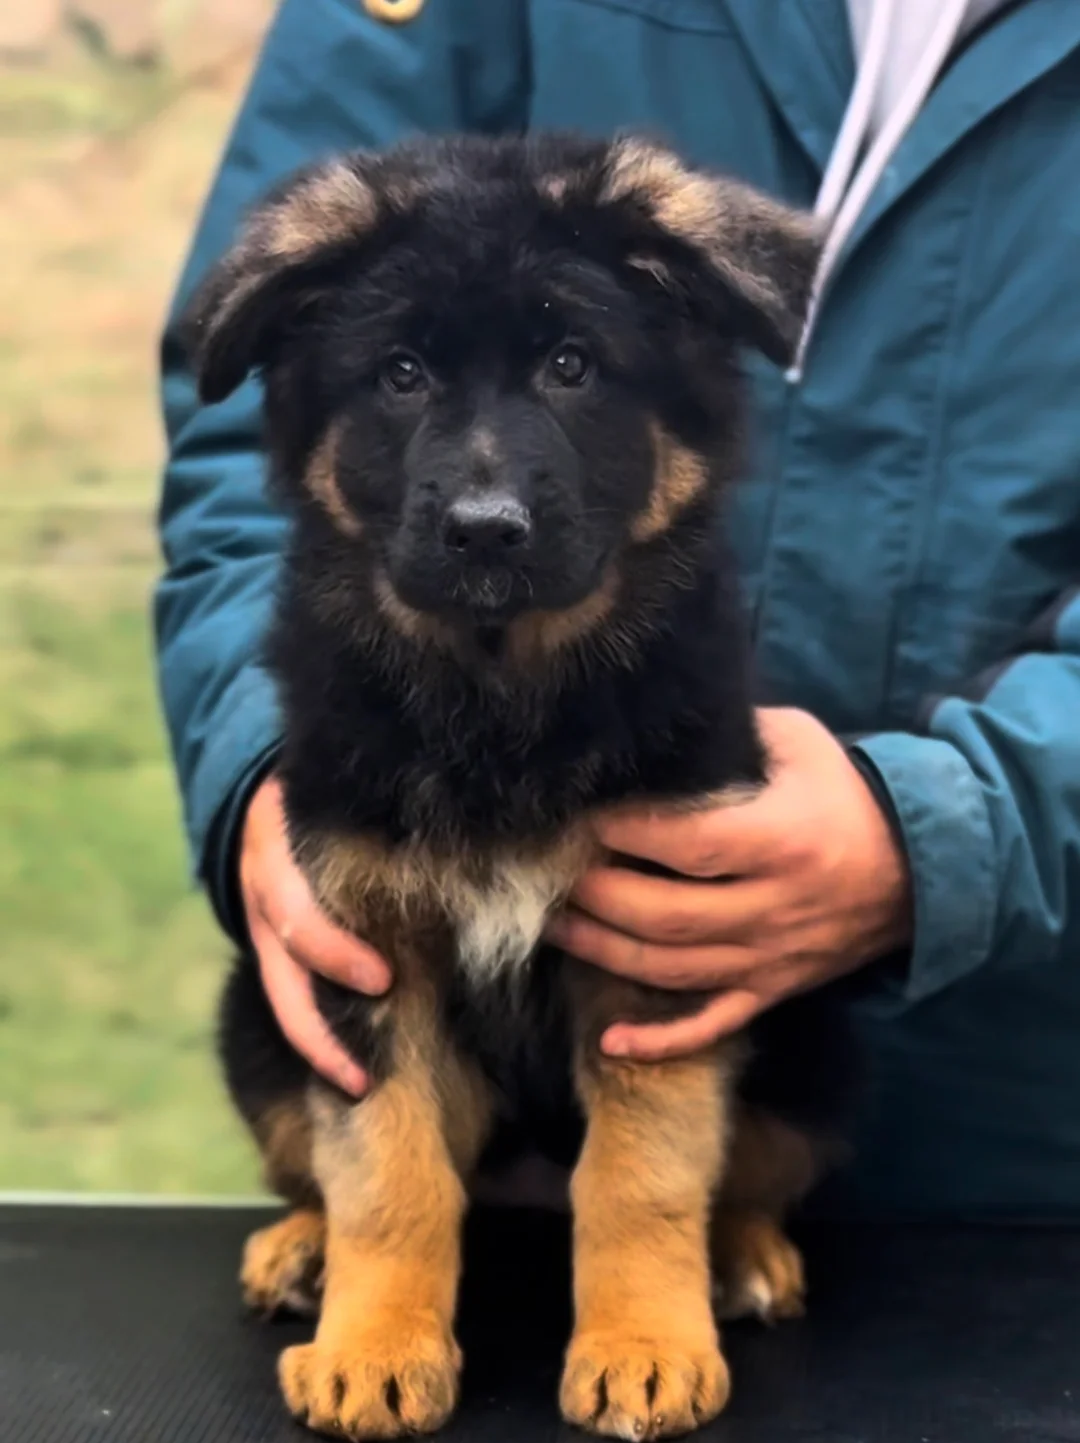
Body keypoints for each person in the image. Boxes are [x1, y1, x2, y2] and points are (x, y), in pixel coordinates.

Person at [155, 0, 1080, 1219]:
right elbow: (254, 415)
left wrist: (965, 829)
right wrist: (282, 770)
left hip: (1016, 1085)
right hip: (441, 1026)